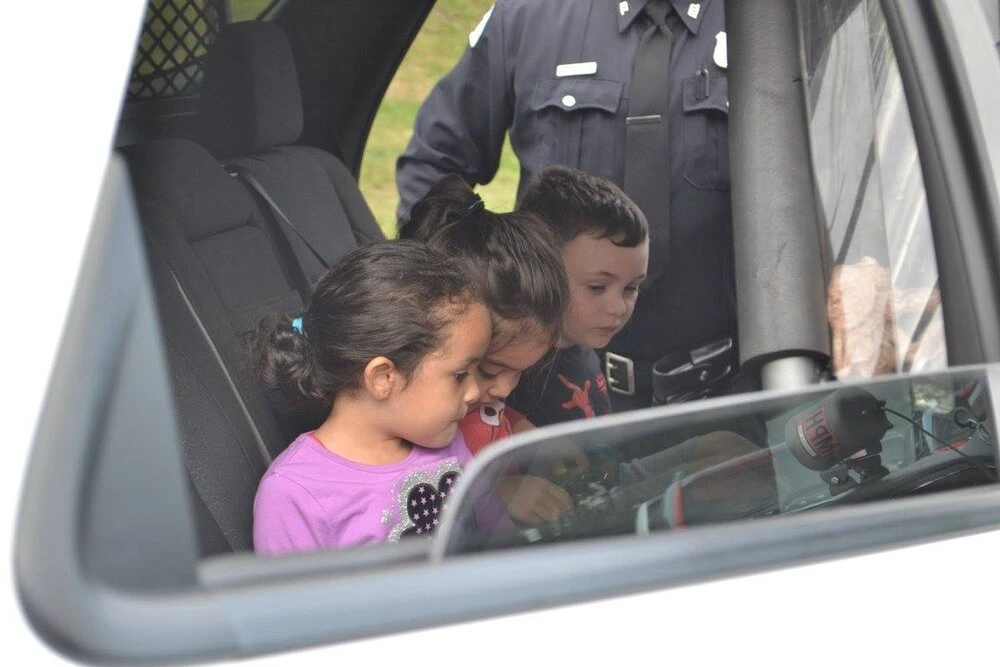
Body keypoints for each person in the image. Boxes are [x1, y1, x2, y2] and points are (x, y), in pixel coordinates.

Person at [397, 0, 737, 411]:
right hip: (542, 390)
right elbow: (436, 165)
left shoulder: (779, 23)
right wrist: (468, 314)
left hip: (729, 387)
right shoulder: (528, 16)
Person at [251, 241, 493, 554]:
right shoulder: (294, 494)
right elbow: (293, 602)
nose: (474, 391)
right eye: (460, 375)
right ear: (383, 378)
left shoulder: (447, 442)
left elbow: (496, 537)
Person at [400, 175, 581, 525]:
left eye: (521, 372)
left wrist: (531, 438)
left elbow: (492, 417)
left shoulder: (473, 397)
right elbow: (416, 485)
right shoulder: (423, 419)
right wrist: (498, 492)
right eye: (490, 370)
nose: (504, 390)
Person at [508, 165, 649, 428]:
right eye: (597, 287)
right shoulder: (509, 378)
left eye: (631, 288)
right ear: (540, 267)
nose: (618, 308)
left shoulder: (580, 343)